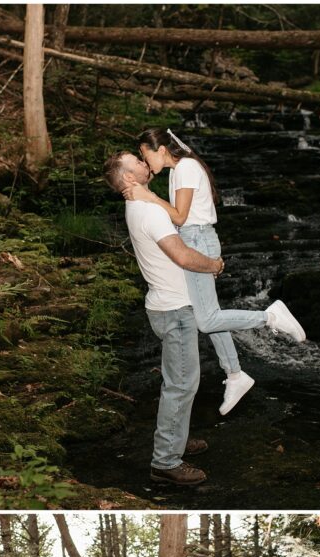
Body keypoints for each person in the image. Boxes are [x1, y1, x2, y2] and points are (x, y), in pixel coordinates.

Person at [103, 150, 306, 487]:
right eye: (136, 163)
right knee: (181, 386)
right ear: (127, 178)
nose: (143, 163)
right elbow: (182, 255)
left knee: (181, 381)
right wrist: (214, 265)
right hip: (175, 311)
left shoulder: (141, 204)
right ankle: (165, 462)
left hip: (167, 305)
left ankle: (176, 442)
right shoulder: (147, 212)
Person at [122, 126, 307, 416]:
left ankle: (271, 316)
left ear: (161, 150)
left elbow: (181, 216)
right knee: (207, 312)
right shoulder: (177, 171)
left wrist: (149, 197)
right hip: (193, 237)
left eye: (145, 155)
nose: (146, 164)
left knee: (206, 320)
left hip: (197, 239)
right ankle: (235, 374)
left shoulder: (185, 168)